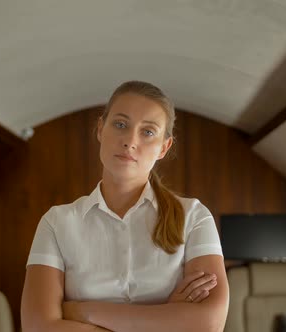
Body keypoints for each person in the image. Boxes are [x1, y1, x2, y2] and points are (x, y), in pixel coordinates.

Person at [21, 81, 229, 332]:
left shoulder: (194, 217)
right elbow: (38, 327)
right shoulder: (56, 222)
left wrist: (83, 312)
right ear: (100, 129)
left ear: (164, 147)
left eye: (148, 132)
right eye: (120, 125)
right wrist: (167, 318)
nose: (130, 141)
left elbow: (209, 324)